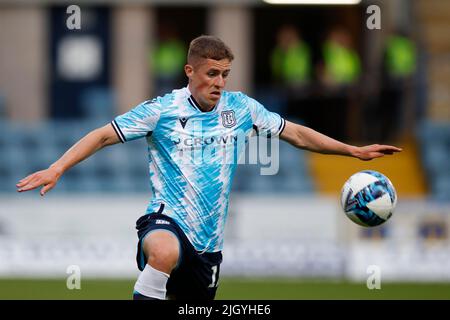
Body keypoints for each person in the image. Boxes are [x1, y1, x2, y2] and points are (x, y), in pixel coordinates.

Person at [16, 35, 402, 300]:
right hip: (166, 220)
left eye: (224, 74)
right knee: (162, 253)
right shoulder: (163, 110)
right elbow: (102, 135)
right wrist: (57, 167)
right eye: (211, 74)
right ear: (190, 72)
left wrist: (352, 150)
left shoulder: (242, 108)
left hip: (209, 246)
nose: (219, 82)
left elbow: (297, 134)